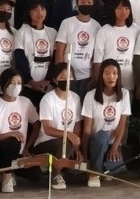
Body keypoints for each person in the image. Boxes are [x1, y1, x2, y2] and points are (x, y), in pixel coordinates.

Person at [0, 68, 41, 193]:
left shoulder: (25, 102)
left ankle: (12, 171)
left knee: (36, 175)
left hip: (20, 154)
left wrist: (28, 148)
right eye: (12, 83)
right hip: (1, 152)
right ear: (4, 84)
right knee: (13, 141)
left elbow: (37, 125)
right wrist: (11, 133)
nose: (16, 86)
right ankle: (7, 177)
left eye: (19, 83)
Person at [33, 62, 84, 190]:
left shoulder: (76, 98)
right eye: (62, 76)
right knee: (64, 143)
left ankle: (57, 164)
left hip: (68, 143)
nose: (67, 80)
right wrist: (68, 135)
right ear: (55, 80)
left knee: (78, 167)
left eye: (70, 76)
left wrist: (76, 149)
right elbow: (47, 129)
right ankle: (56, 175)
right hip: (46, 142)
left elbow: (77, 124)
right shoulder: (48, 99)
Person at [82, 59, 132, 187]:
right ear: (101, 75)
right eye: (107, 73)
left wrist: (115, 146)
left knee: (118, 167)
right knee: (102, 135)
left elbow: (122, 125)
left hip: (112, 144)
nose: (111, 76)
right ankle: (95, 172)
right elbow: (87, 130)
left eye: (115, 73)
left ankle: (104, 168)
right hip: (96, 142)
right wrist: (85, 155)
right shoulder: (90, 96)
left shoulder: (124, 94)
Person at [55, 0, 101, 99]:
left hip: (87, 77)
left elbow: (96, 54)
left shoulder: (97, 26)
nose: (86, 5)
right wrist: (60, 74)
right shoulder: (67, 23)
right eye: (83, 2)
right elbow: (60, 51)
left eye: (89, 3)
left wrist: (95, 77)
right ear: (77, 4)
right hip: (69, 76)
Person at [13, 0, 57, 108]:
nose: (39, 12)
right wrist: (30, 81)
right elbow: (20, 59)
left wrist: (48, 79)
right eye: (35, 9)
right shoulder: (21, 32)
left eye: (42, 9)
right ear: (29, 12)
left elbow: (55, 57)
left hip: (48, 86)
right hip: (29, 86)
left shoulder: (52, 32)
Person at [93, 0, 139, 93]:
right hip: (107, 80)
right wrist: (98, 81)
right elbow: (97, 59)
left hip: (128, 80)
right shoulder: (104, 30)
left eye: (127, 8)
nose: (123, 11)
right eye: (120, 8)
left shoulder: (136, 31)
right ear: (113, 10)